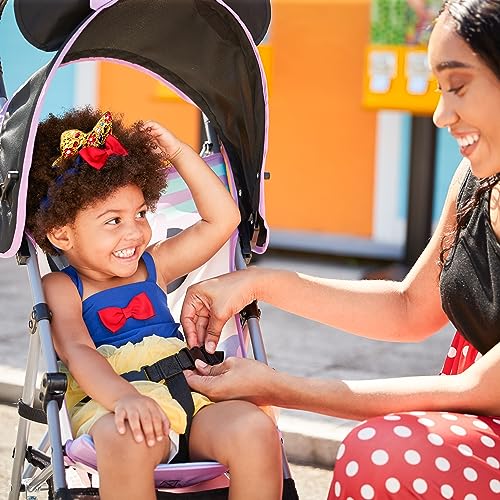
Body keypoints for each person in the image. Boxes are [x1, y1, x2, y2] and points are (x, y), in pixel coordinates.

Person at [182, 1, 500, 498]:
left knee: (380, 454)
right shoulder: (476, 180)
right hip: (475, 425)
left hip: (478, 413)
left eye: (457, 87)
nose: (441, 114)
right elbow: (409, 308)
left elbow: (481, 389)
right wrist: (255, 282)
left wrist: (277, 386)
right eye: (438, 90)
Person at [26, 107, 283, 500]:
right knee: (129, 440)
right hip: (112, 405)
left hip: (190, 396)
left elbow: (224, 219)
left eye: (141, 213)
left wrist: (179, 153)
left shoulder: (154, 266)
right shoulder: (62, 286)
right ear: (61, 235)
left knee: (255, 428)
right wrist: (125, 398)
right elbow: (78, 351)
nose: (135, 231)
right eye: (113, 221)